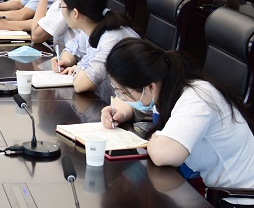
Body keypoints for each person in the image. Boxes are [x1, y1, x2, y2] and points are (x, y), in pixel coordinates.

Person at [102, 39, 254, 189]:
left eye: (123, 92)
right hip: (209, 186)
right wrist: (120, 111)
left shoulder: (198, 99)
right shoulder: (167, 84)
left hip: (237, 195)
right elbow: (137, 100)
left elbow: (164, 155)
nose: (120, 96)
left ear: (150, 87)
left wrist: (154, 138)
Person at [50, 0, 138, 93]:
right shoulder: (92, 25)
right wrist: (65, 61)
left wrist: (79, 69)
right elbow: (72, 51)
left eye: (61, 6)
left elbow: (81, 85)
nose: (61, 10)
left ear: (75, 13)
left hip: (119, 102)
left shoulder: (111, 40)